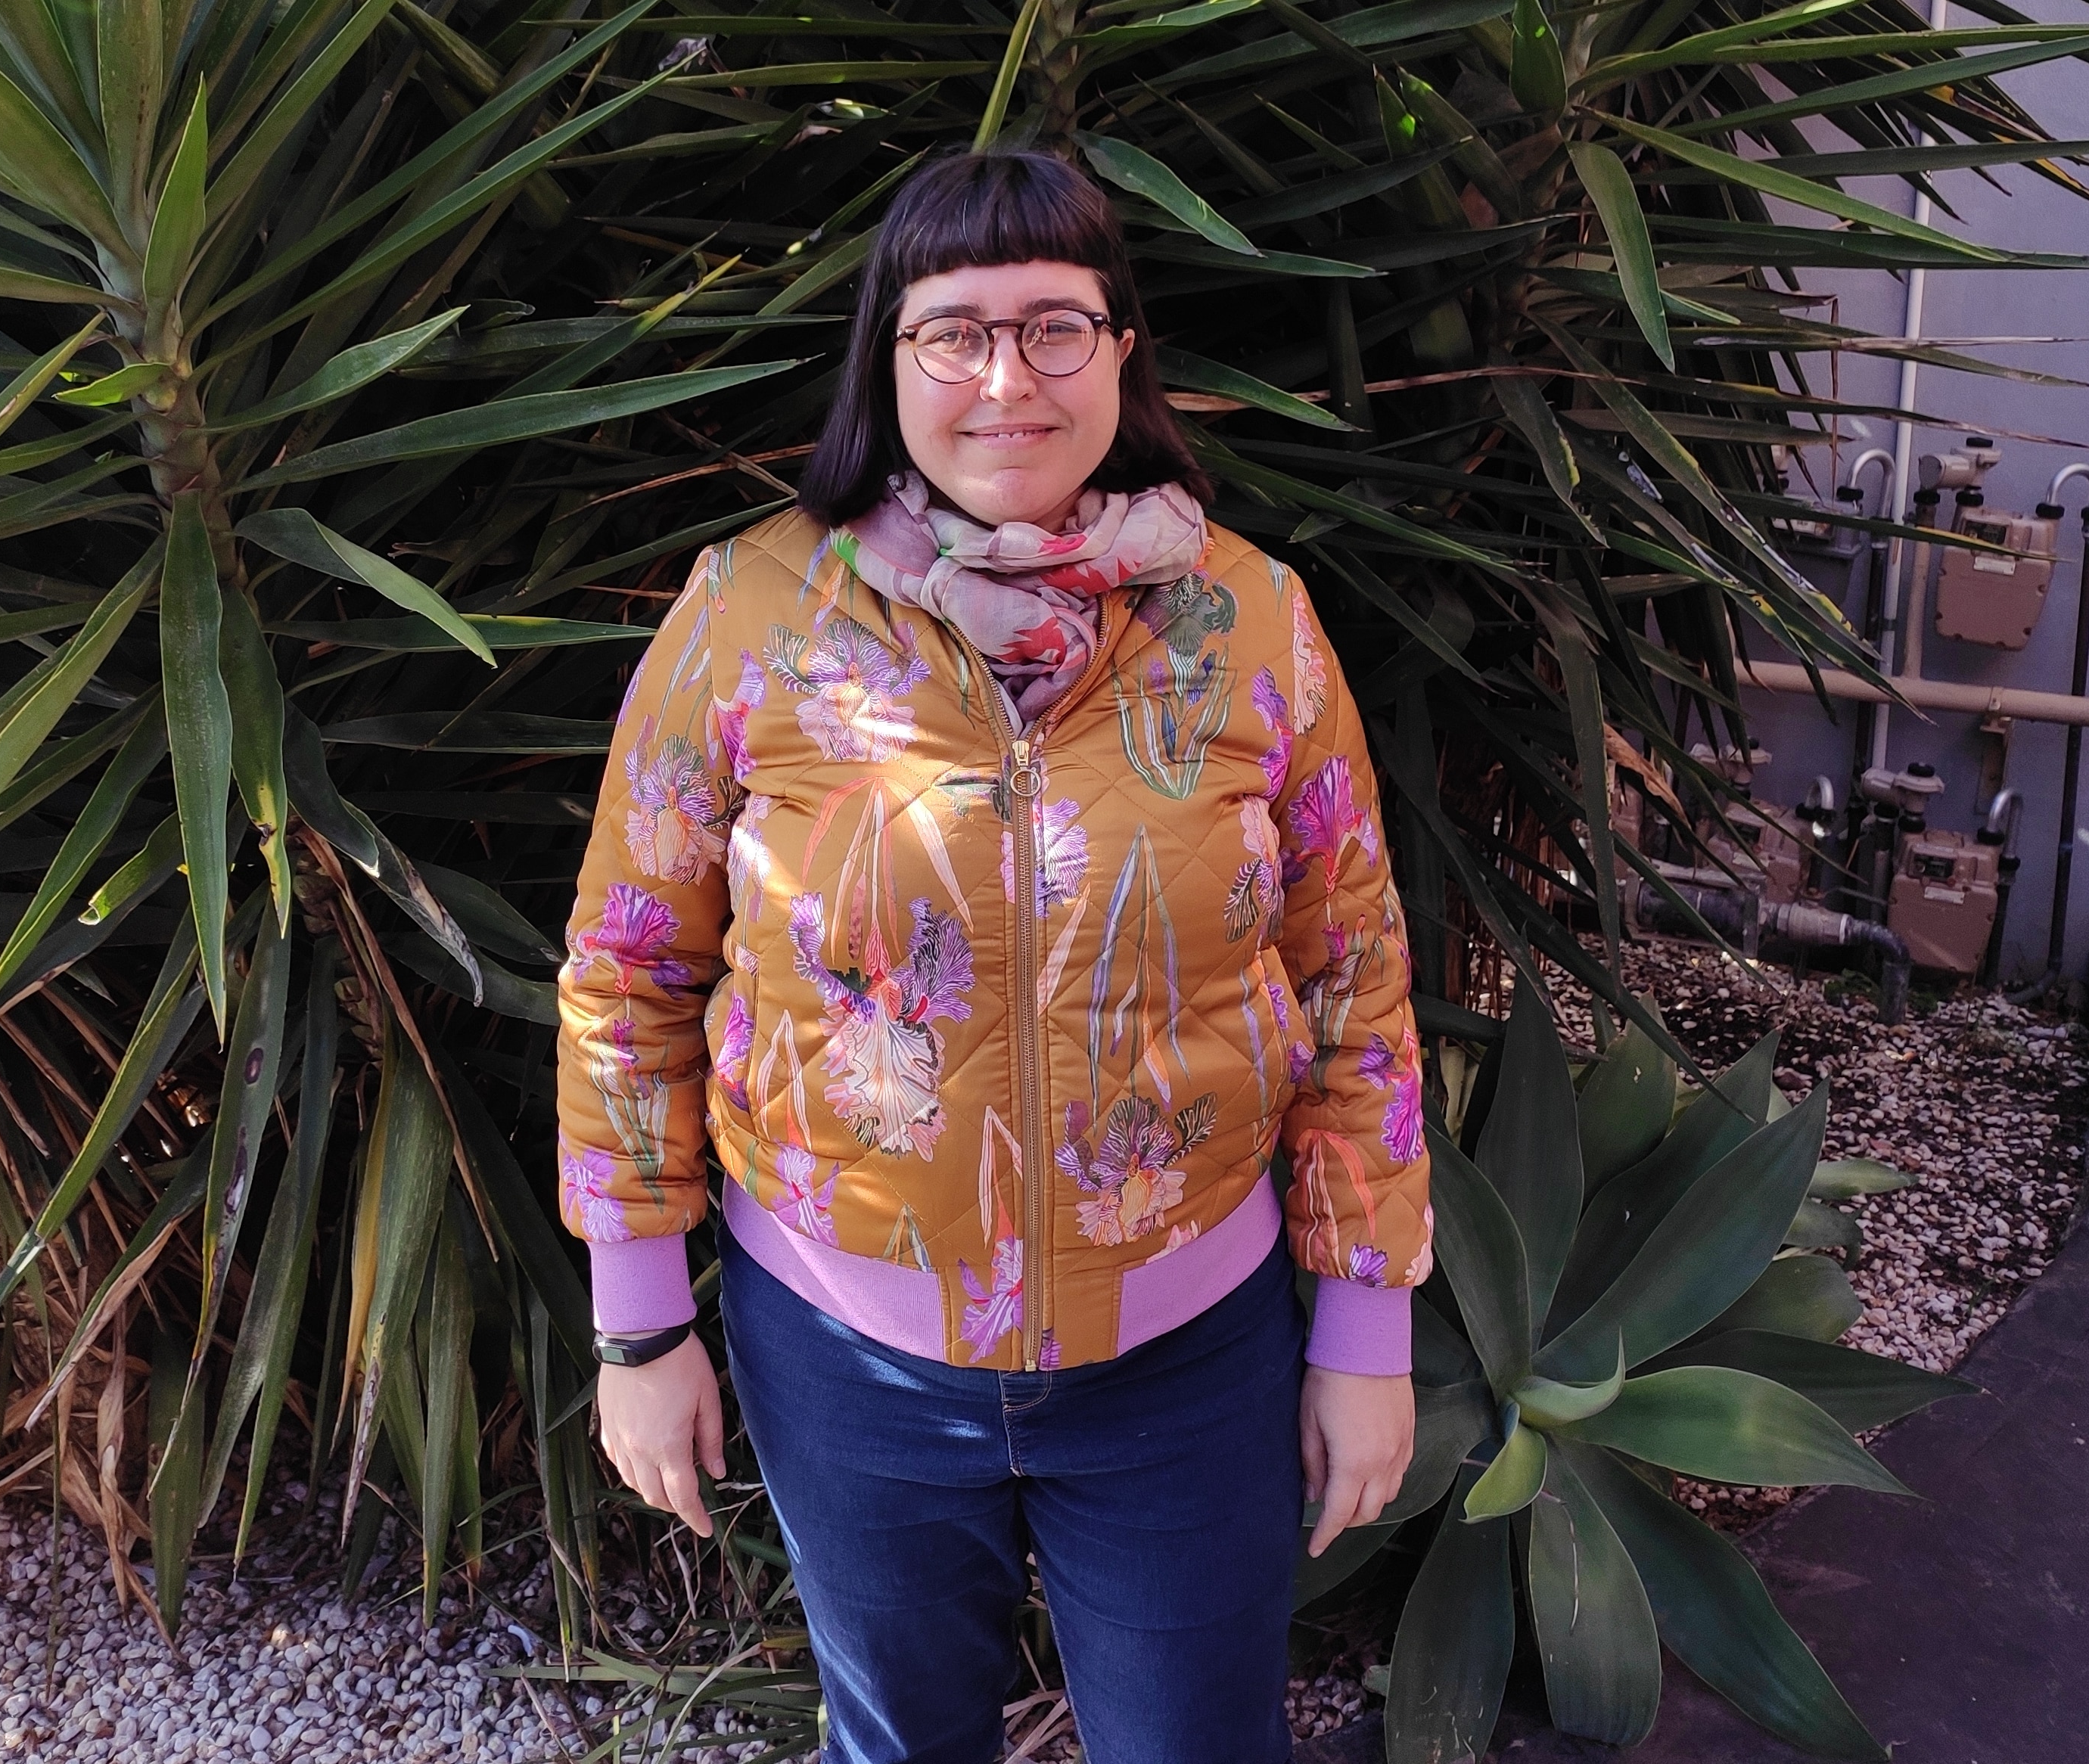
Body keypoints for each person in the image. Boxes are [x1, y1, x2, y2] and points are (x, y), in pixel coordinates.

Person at [555, 149, 1432, 1764]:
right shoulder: (750, 614)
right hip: (842, 1355)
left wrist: (1365, 1331)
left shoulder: (1254, 623)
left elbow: (1353, 981)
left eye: (1053, 328)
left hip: (1188, 1356)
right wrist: (639, 1321)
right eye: (953, 332)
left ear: (1122, 352)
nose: (1006, 379)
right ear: (888, 361)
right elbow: (630, 967)